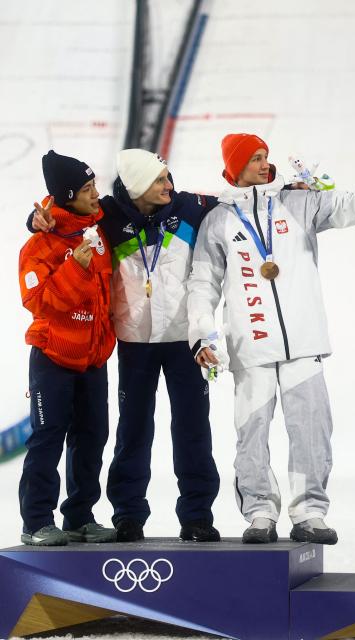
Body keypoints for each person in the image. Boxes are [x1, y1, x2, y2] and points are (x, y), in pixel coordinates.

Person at [187, 133, 355, 545]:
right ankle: (259, 513)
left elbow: (351, 206)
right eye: (255, 159)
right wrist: (202, 334)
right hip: (250, 347)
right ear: (235, 167)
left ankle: (309, 511)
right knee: (251, 434)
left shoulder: (297, 202)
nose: (264, 164)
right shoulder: (217, 221)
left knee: (312, 429)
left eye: (264, 157)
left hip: (303, 344)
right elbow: (202, 282)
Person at [30, 149, 221, 543]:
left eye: (169, 177)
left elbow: (240, 200)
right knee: (132, 432)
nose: (169, 185)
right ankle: (128, 514)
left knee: (193, 429)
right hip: (134, 343)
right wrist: (35, 220)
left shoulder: (188, 207)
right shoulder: (110, 216)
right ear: (136, 186)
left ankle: (197, 514)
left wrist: (288, 189)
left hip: (184, 341)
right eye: (159, 180)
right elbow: (65, 214)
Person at [19, 150, 116, 545]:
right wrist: (75, 267)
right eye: (88, 189)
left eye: (96, 186)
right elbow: (39, 303)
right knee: (47, 438)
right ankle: (36, 522)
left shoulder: (99, 227)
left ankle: (79, 516)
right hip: (53, 358)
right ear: (68, 194)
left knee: (92, 437)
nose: (97, 195)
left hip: (93, 358)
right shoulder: (38, 247)